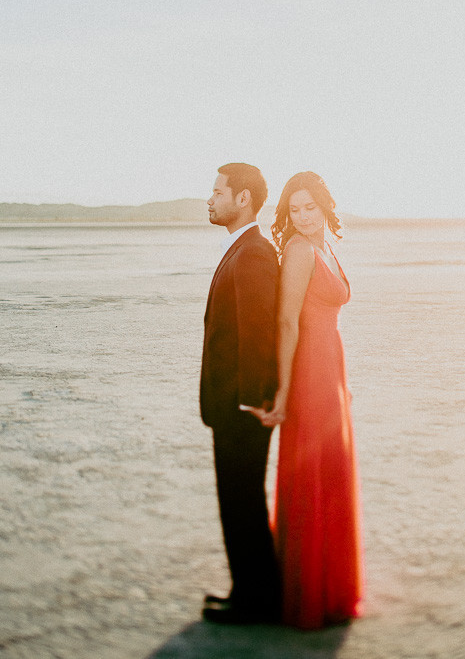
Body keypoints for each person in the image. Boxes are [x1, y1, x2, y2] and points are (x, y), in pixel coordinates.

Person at [250, 171, 364, 629]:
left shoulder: (325, 246)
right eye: (293, 210)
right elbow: (286, 323)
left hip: (331, 369)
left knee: (332, 471)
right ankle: (306, 596)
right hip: (309, 373)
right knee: (313, 476)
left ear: (323, 207)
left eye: (308, 208)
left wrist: (342, 384)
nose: (301, 217)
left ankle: (332, 589)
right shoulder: (298, 251)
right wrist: (282, 390)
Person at [199, 163, 281, 624]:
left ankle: (256, 600)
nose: (209, 200)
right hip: (233, 404)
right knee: (239, 499)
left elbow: (257, 330)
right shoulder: (244, 249)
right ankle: (249, 591)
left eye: (217, 191)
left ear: (243, 198)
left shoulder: (252, 253)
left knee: (243, 499)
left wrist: (252, 400)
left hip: (241, 406)